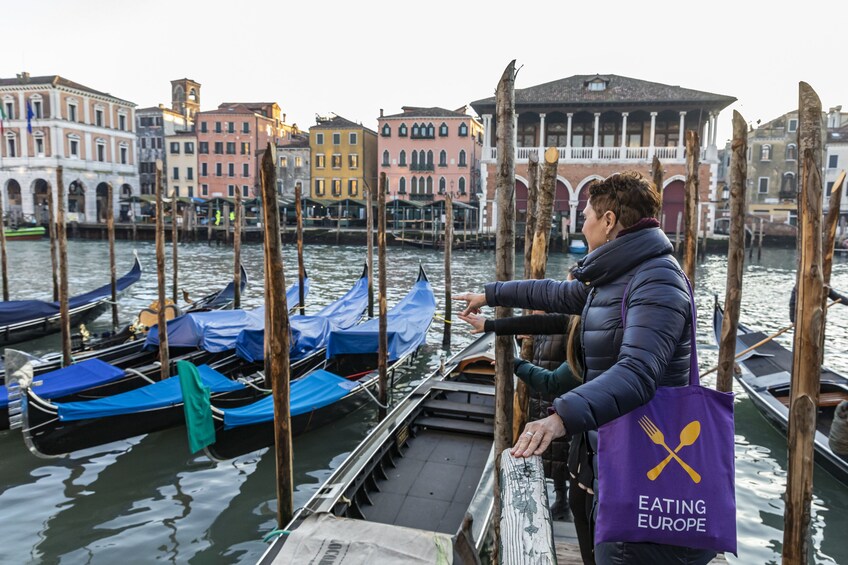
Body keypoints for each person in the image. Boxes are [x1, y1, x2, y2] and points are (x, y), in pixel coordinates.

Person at [456, 172, 715, 565]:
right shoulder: (617, 277)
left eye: (586, 216)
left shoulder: (657, 280)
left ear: (609, 221)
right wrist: (490, 295)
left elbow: (638, 374)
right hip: (612, 456)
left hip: (644, 469)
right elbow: (553, 294)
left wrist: (559, 417)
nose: (581, 225)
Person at [460, 309, 581, 520]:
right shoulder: (541, 329)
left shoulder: (570, 330)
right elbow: (535, 351)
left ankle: (564, 502)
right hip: (539, 399)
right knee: (549, 455)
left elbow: (553, 380)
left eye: (539, 306)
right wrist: (518, 338)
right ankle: (558, 499)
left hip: (560, 401)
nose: (533, 310)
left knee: (561, 455)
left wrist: (515, 363)